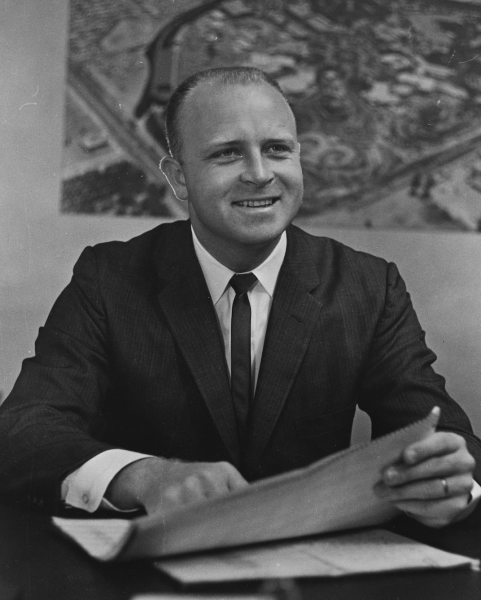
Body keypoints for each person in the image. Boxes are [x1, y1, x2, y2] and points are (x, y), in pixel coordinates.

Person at [0, 67, 479, 529]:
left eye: (277, 149)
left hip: (306, 565)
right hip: (145, 565)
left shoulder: (369, 286)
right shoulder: (109, 279)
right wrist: (144, 477)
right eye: (227, 153)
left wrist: (452, 484)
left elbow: (443, 435)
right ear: (179, 177)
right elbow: (22, 430)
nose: (260, 174)